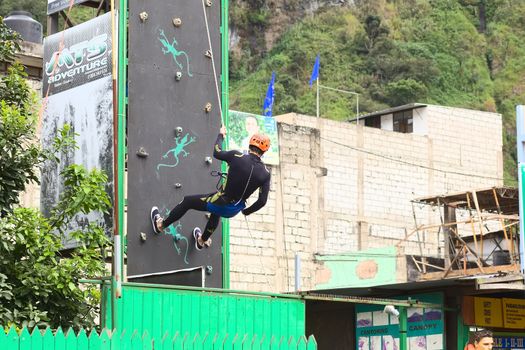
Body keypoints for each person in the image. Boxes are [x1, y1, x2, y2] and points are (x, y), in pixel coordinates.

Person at [150, 125, 271, 250]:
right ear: (264, 151)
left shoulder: (237, 156)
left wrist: (221, 136)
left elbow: (217, 152)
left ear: (250, 144)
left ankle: (160, 225)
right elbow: (262, 201)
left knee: (187, 201)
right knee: (216, 212)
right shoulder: (265, 174)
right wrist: (246, 211)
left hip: (221, 202)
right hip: (233, 210)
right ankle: (202, 240)